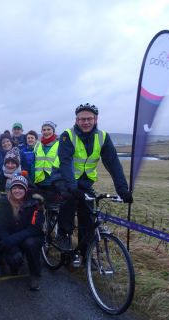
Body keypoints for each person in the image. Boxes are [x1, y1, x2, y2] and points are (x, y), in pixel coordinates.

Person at [55, 103, 132, 262]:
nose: (86, 122)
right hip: (63, 176)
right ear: (76, 120)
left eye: (89, 118)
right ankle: (64, 233)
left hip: (85, 180)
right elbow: (65, 162)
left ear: (96, 119)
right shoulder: (67, 135)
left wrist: (123, 189)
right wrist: (71, 187)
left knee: (88, 215)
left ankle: (86, 254)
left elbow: (113, 163)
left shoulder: (103, 137)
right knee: (69, 198)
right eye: (82, 119)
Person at [0, 175, 44, 291]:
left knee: (31, 243)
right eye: (14, 188)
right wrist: (11, 245)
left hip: (29, 236)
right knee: (14, 259)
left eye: (20, 188)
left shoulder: (35, 203)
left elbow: (35, 228)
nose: (17, 191)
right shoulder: (4, 203)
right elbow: (1, 227)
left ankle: (35, 275)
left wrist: (13, 239)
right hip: (12, 237)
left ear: (26, 189)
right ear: (11, 189)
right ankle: (8, 257)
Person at [31, 121, 60, 193]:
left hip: (54, 183)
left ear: (53, 131)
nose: (46, 132)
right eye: (44, 130)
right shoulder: (37, 145)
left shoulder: (60, 145)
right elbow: (33, 163)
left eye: (49, 129)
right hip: (39, 182)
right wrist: (32, 179)